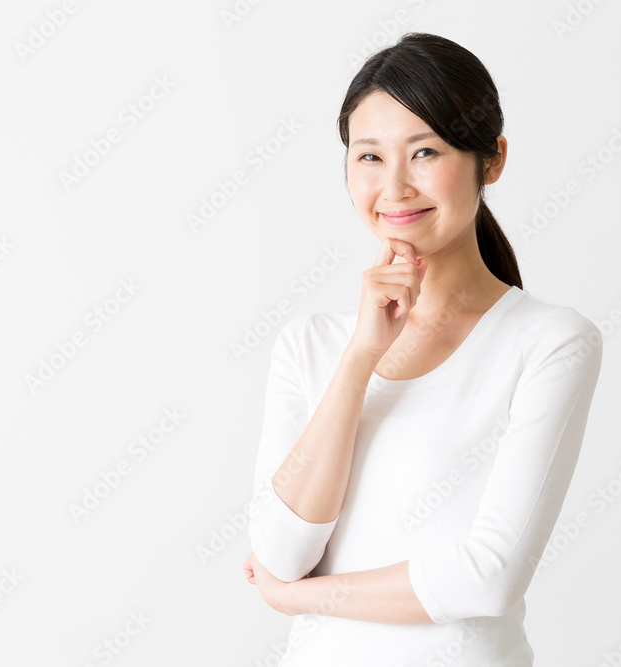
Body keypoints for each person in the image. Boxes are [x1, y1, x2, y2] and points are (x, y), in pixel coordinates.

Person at [242, 32, 602, 664]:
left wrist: (301, 598)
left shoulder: (550, 342)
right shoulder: (310, 345)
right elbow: (279, 551)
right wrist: (359, 358)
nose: (396, 188)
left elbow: (489, 576)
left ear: (491, 162)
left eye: (426, 152)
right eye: (370, 157)